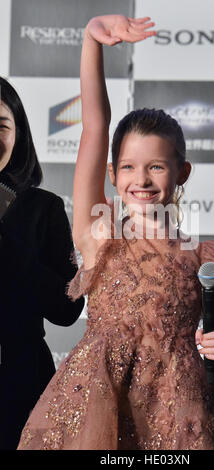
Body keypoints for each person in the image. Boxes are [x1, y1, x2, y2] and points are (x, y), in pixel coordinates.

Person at [17, 14, 214, 451]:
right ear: (112, 173)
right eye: (128, 167)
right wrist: (92, 40)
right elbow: (94, 125)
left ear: (182, 173)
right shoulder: (97, 231)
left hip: (181, 423)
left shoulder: (205, 262)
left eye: (156, 166)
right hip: (98, 414)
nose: (140, 179)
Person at [0, 77, 85, 449]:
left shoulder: (43, 208)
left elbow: (68, 309)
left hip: (21, 385)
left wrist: (9, 248)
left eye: (1, 125)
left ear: (19, 134)